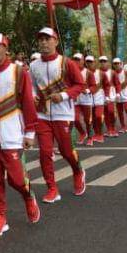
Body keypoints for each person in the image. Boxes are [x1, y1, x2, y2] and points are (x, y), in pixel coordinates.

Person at [0, 33, 40, 237]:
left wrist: (30, 132)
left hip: (12, 136)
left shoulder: (18, 72)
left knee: (17, 180)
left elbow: (28, 103)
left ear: (5, 48)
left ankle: (28, 196)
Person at [29, 27, 86, 203]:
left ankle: (78, 171)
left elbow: (80, 85)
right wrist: (33, 96)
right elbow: (31, 86)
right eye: (41, 40)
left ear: (56, 41)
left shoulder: (67, 63)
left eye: (47, 39)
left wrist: (63, 95)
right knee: (45, 152)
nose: (44, 43)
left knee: (66, 151)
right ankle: (52, 188)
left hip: (63, 114)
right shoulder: (33, 65)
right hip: (43, 114)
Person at [75, 55, 97, 145]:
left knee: (88, 120)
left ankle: (90, 137)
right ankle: (82, 133)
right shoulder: (71, 72)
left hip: (86, 100)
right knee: (74, 119)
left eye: (78, 60)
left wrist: (87, 90)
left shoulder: (88, 73)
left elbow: (94, 86)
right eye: (75, 60)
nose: (76, 61)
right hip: (76, 100)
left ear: (83, 61)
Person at [111, 58, 127, 133]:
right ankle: (123, 126)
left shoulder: (126, 73)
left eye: (118, 63)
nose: (117, 65)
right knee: (120, 112)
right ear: (113, 65)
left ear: (121, 64)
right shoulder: (112, 74)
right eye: (115, 63)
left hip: (126, 94)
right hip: (117, 95)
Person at [98, 57, 119, 137]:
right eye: (101, 61)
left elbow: (117, 84)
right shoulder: (97, 72)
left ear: (108, 63)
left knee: (111, 112)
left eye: (104, 61)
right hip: (100, 95)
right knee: (105, 113)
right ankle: (109, 129)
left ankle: (113, 128)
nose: (103, 63)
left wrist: (118, 93)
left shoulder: (113, 72)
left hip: (111, 95)